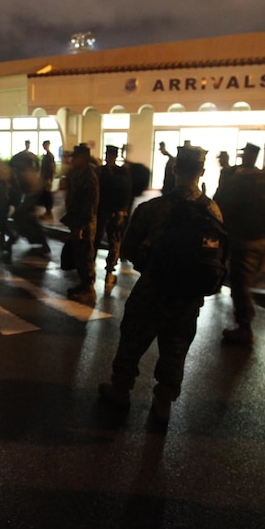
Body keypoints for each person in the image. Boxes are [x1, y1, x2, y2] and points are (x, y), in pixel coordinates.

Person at [98, 146, 222, 424]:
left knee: (133, 338)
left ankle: (121, 390)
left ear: (175, 169)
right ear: (201, 172)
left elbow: (128, 249)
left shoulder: (152, 208)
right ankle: (163, 401)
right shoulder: (212, 210)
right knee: (176, 346)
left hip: (153, 288)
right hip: (188, 296)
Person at [214, 142, 265, 345]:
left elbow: (224, 202)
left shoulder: (240, 178)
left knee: (240, 283)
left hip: (246, 240)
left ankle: (244, 327)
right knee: (245, 280)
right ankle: (245, 321)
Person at [62, 144, 99, 303]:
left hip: (84, 223)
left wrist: (82, 226)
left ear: (83, 158)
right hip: (77, 221)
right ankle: (83, 284)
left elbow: (89, 204)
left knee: (85, 256)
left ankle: (88, 289)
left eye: (75, 157)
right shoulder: (78, 173)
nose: (72, 160)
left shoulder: (88, 176)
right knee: (79, 255)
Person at [93, 145, 133, 292]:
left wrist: (122, 210)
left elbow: (126, 193)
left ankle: (107, 270)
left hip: (109, 211)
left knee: (109, 241)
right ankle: (107, 271)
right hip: (109, 211)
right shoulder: (119, 172)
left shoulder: (104, 172)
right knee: (109, 241)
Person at [39, 140, 57, 220]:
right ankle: (47, 212)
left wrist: (49, 179)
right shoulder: (47, 156)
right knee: (46, 195)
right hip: (45, 178)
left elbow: (51, 169)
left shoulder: (49, 156)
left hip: (47, 179)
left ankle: (49, 212)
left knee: (47, 195)